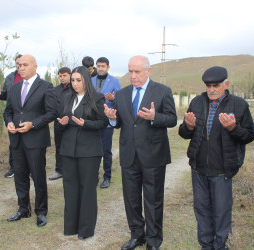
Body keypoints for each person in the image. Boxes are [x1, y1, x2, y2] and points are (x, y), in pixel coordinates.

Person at [104, 55, 177, 250]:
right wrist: (112, 119)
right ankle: (137, 235)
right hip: (129, 155)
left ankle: (153, 240)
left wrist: (155, 117)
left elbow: (171, 119)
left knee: (153, 200)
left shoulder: (162, 91)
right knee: (131, 199)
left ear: (148, 71)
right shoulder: (121, 94)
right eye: (130, 71)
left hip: (153, 155)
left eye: (137, 71)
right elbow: (120, 123)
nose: (133, 76)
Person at [179, 66, 254, 250]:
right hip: (198, 169)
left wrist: (233, 128)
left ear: (226, 84)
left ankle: (221, 246)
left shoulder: (239, 105)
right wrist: (188, 126)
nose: (212, 89)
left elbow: (249, 136)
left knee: (221, 213)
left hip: (222, 170)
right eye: (208, 85)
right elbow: (184, 133)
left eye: (216, 85)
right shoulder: (197, 102)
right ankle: (206, 246)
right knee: (202, 211)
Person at [4, 54, 56, 227]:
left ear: (35, 66)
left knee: (38, 177)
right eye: (19, 65)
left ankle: (41, 212)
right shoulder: (14, 87)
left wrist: (32, 124)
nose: (21, 68)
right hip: (16, 139)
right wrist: (9, 122)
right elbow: (8, 111)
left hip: (35, 139)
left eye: (25, 64)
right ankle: (23, 208)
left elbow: (51, 113)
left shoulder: (46, 87)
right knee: (19, 176)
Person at [57, 66, 108, 239]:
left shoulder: (97, 98)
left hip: (89, 151)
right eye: (73, 80)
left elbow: (103, 123)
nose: (75, 83)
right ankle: (71, 226)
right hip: (68, 150)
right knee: (70, 188)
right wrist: (63, 123)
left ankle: (86, 230)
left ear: (86, 80)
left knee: (87, 189)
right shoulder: (66, 98)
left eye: (79, 80)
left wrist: (84, 123)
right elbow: (60, 125)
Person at [91, 57, 121, 188]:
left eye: (103, 66)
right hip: (92, 121)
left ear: (108, 67)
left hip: (107, 122)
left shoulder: (115, 81)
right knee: (92, 150)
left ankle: (107, 177)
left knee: (106, 150)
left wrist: (114, 99)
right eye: (98, 66)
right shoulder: (90, 80)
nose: (100, 68)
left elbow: (121, 101)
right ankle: (93, 177)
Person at [0, 54, 23, 178]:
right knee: (13, 142)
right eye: (17, 63)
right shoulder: (10, 78)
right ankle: (13, 168)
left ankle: (30, 169)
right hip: (12, 112)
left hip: (27, 113)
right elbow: (5, 95)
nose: (19, 65)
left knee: (29, 143)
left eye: (22, 63)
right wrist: (0, 94)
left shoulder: (33, 78)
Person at [49, 66, 71, 181]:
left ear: (70, 75)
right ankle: (59, 170)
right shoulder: (55, 90)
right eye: (60, 76)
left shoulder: (75, 88)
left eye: (64, 75)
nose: (62, 78)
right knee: (59, 147)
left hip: (72, 123)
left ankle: (71, 170)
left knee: (71, 146)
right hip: (58, 123)